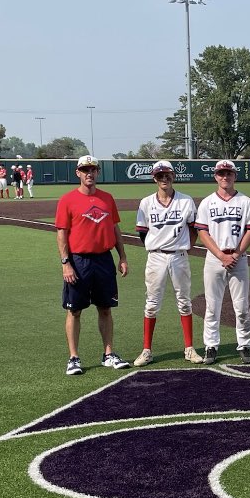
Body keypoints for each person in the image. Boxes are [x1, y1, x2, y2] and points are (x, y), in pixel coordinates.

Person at [55, 155, 130, 375]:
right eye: (85, 169)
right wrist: (65, 263)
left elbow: (115, 229)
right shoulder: (68, 200)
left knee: (105, 308)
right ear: (77, 173)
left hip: (104, 259)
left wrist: (122, 256)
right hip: (78, 261)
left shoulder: (107, 198)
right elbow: (62, 234)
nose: (89, 173)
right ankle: (74, 358)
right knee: (75, 310)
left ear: (98, 172)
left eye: (93, 169)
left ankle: (108, 354)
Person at [132, 160, 204, 367]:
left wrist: (188, 245)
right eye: (160, 175)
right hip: (156, 257)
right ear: (154, 178)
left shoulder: (185, 200)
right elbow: (142, 232)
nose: (164, 178)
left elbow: (194, 227)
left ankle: (189, 348)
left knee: (184, 301)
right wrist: (156, 247)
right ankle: (147, 350)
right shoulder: (146, 202)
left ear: (173, 176)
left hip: (179, 256)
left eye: (167, 175)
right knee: (152, 304)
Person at [195, 160, 250, 365]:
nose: (225, 177)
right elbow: (202, 231)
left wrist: (236, 254)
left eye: (228, 173)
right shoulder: (207, 202)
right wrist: (221, 256)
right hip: (215, 258)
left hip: (238, 258)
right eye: (221, 173)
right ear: (215, 176)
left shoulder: (245, 202)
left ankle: (245, 345)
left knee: (242, 307)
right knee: (212, 306)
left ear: (234, 176)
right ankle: (211, 346)